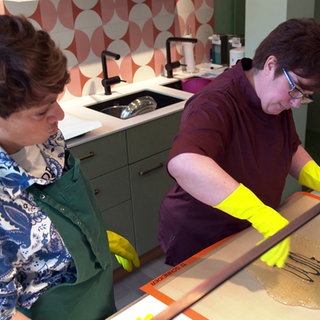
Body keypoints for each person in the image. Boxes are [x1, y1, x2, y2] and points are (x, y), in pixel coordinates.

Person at [0, 15, 140, 320]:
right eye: (42, 110)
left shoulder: (46, 139)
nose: (59, 115)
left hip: (96, 291)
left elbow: (56, 205)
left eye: (56, 100)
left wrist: (87, 239)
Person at [158, 18, 320, 267]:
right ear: (271, 64)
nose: (297, 102)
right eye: (297, 89)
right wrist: (258, 212)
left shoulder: (275, 97)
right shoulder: (216, 102)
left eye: (305, 96)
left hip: (245, 228)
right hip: (203, 234)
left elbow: (289, 146)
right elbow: (184, 163)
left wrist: (316, 176)